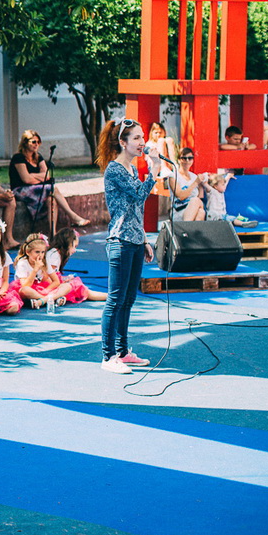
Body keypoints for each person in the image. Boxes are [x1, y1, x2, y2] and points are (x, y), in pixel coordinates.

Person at [96, 117, 161, 374]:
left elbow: (137, 209)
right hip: (120, 240)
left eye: (142, 137)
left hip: (134, 240)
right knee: (115, 299)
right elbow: (140, 194)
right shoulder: (115, 169)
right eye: (136, 138)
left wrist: (144, 238)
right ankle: (108, 355)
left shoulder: (133, 170)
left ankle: (122, 352)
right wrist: (154, 170)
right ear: (122, 142)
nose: (142, 142)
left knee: (129, 299)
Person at [9, 129, 90, 230]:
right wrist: (39, 177)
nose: (36, 145)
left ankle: (53, 233)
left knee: (51, 200)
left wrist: (32, 175)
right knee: (53, 189)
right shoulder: (18, 158)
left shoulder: (38, 157)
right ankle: (73, 216)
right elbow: (26, 179)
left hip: (37, 189)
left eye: (38, 142)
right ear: (25, 142)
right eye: (33, 142)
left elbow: (46, 175)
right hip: (21, 190)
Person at [10, 234, 70, 309]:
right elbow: (25, 285)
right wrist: (35, 269)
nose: (40, 255)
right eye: (37, 252)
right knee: (25, 290)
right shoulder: (22, 263)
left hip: (41, 288)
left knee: (67, 286)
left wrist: (46, 290)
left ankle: (42, 301)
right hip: (29, 288)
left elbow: (56, 281)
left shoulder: (44, 261)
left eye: (42, 252)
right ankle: (53, 299)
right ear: (28, 252)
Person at [47, 228, 105, 303]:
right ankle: (112, 297)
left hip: (54, 283)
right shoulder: (54, 255)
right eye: (74, 246)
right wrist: (63, 280)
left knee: (76, 284)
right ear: (67, 243)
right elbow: (49, 277)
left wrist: (64, 278)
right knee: (80, 288)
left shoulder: (56, 254)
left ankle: (111, 296)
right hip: (49, 285)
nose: (74, 250)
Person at [173, 148, 207, 221]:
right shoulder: (173, 176)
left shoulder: (194, 176)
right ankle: (186, 227)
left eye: (190, 158)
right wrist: (195, 183)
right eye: (184, 158)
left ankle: (190, 231)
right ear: (179, 160)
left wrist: (204, 183)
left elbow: (200, 197)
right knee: (195, 200)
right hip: (179, 210)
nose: (187, 161)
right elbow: (181, 196)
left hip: (194, 209)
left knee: (201, 212)